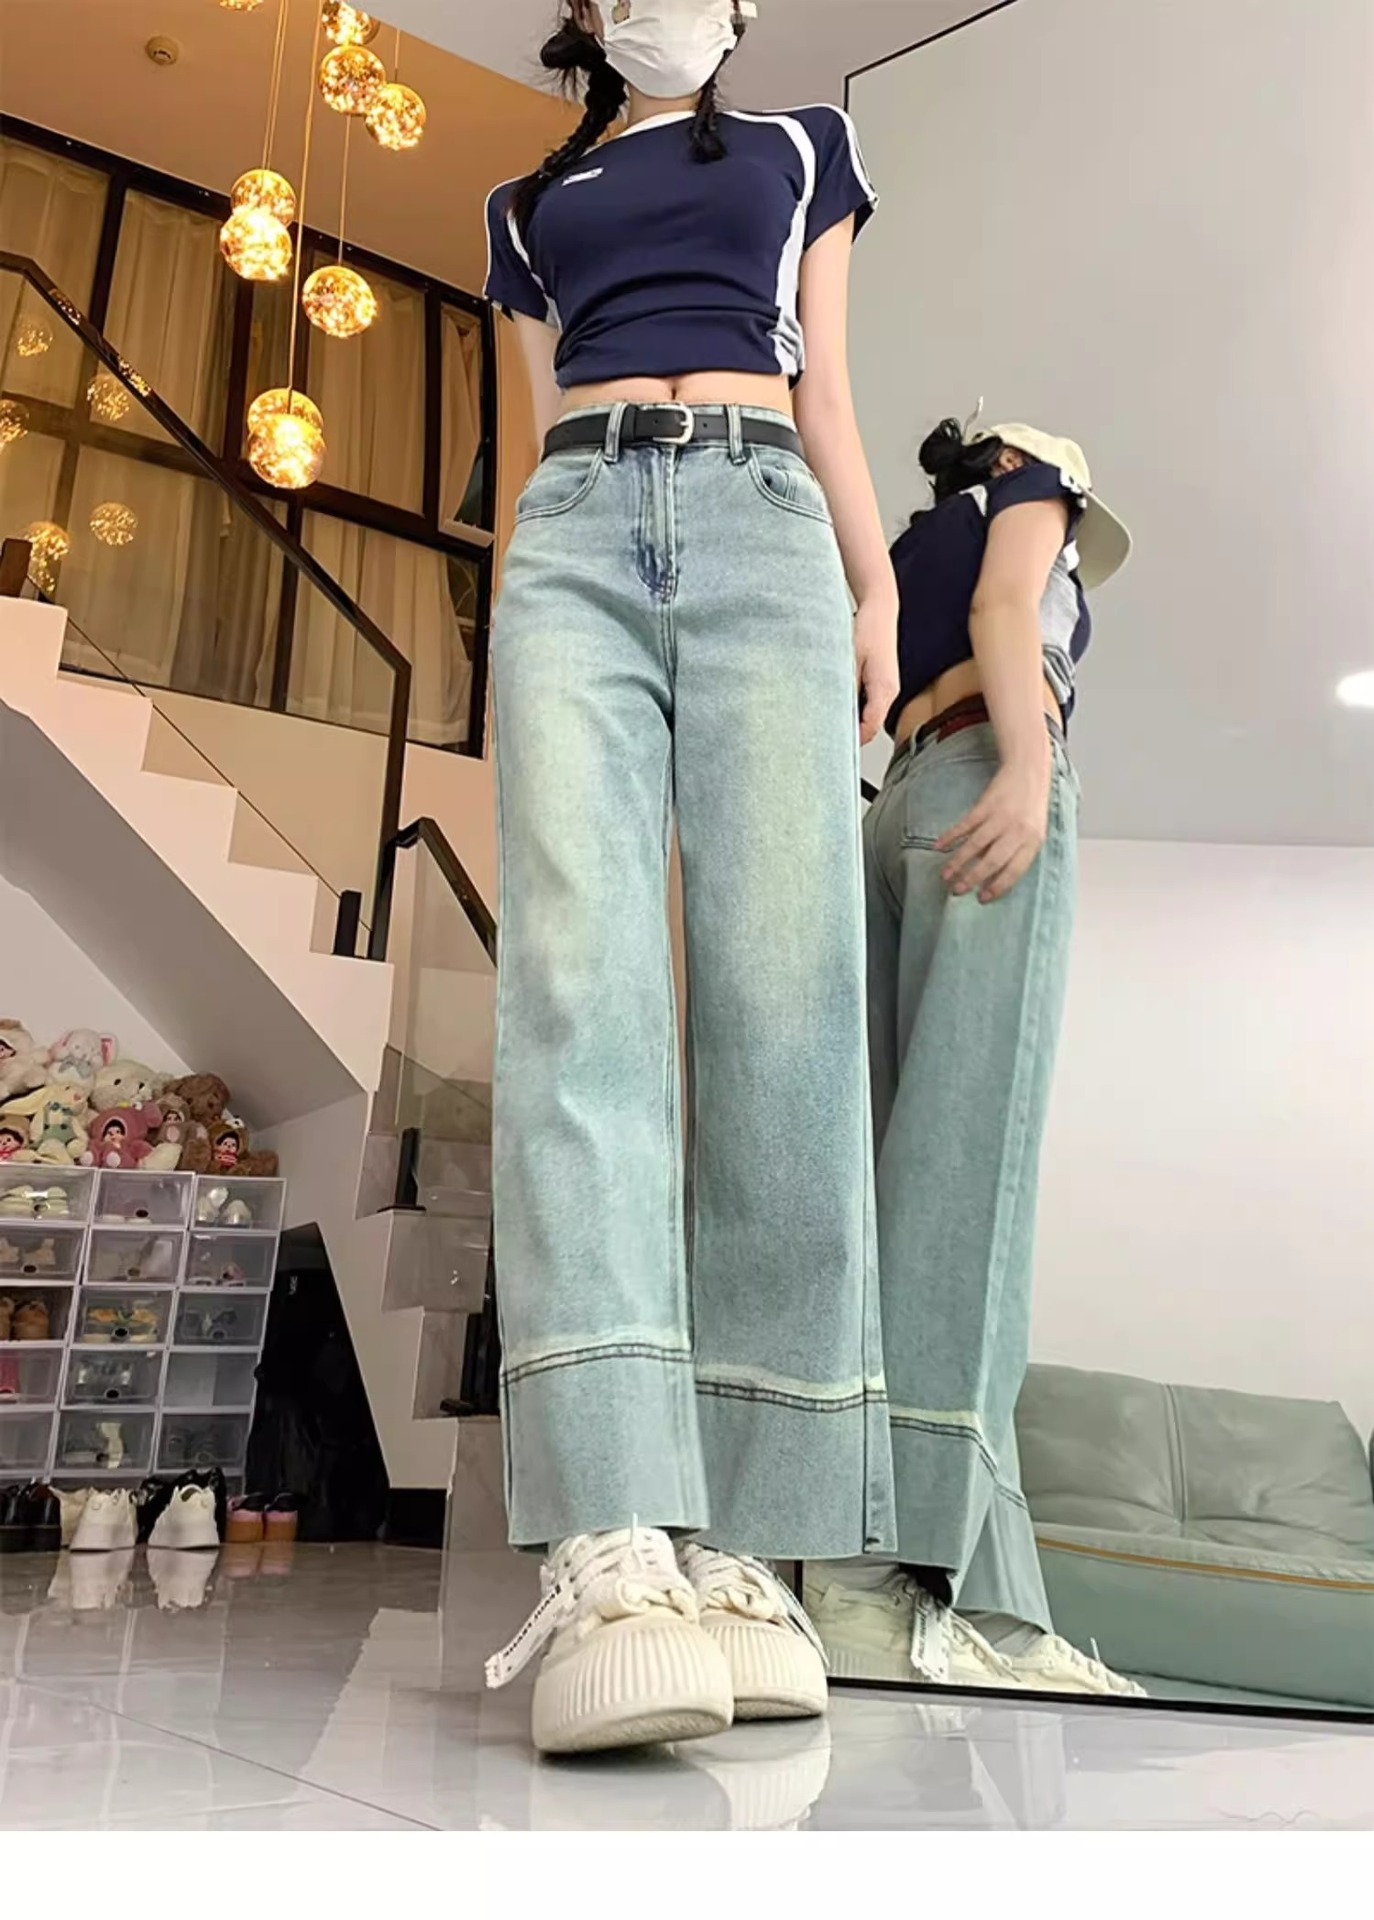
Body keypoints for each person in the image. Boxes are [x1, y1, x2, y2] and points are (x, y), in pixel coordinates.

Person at [480, 0, 899, 1755]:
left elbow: (828, 386)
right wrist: (509, 611)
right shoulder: (520, 208)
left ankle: (743, 1546)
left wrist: (874, 590)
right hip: (572, 535)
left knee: (782, 1000)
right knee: (576, 990)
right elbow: (528, 439)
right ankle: (608, 1537)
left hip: (761, 517)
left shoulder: (803, 149)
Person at [806, 417, 1144, 1697]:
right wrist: (1032, 766)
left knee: (889, 1182)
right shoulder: (1035, 490)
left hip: (892, 805)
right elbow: (1011, 611)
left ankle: (946, 1592)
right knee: (968, 1180)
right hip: (984, 780)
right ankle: (910, 1587)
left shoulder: (901, 551)